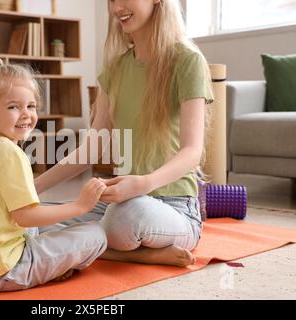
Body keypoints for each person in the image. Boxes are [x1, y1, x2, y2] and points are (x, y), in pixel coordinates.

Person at [35, 0, 214, 267]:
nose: (117, 7)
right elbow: (91, 149)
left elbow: (192, 151)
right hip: (118, 203)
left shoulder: (188, 60)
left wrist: (143, 184)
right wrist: (31, 189)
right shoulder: (115, 69)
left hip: (173, 207)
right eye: (111, 0)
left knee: (126, 217)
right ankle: (136, 253)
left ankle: (98, 244)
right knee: (31, 222)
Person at [0, 55, 107, 292]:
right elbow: (25, 217)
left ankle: (48, 258)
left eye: (31, 106)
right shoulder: (9, 154)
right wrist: (80, 206)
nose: (26, 114)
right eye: (13, 107)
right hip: (2, 270)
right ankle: (49, 269)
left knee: (48, 222)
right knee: (96, 235)